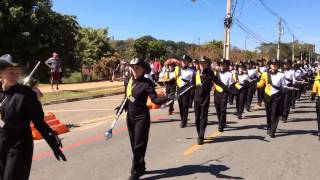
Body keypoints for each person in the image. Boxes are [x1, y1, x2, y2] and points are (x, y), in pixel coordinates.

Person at [0, 54, 66, 180]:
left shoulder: (27, 94)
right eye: (11, 72)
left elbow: (39, 123)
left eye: (17, 73)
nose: (15, 76)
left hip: (19, 146)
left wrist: (53, 143)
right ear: (1, 73)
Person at [115, 58, 172, 180]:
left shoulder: (147, 83)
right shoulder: (128, 81)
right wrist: (121, 107)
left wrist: (168, 97)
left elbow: (155, 100)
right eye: (133, 67)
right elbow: (127, 98)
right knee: (134, 144)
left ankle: (135, 172)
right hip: (130, 117)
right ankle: (141, 165)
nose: (134, 70)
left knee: (139, 145)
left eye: (137, 68)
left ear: (143, 70)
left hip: (142, 117)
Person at [194, 56, 232, 145]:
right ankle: (199, 133)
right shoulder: (196, 73)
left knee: (203, 117)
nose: (202, 65)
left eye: (203, 63)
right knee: (197, 119)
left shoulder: (210, 73)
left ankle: (201, 136)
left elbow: (219, 83)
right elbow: (191, 85)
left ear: (207, 64)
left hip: (205, 99)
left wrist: (231, 91)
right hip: (196, 99)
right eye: (200, 63)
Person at [256, 59, 287, 138]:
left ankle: (273, 131)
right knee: (269, 113)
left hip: (277, 96)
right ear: (270, 65)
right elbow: (261, 84)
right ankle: (269, 127)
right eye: (272, 64)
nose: (274, 65)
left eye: (275, 64)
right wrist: (252, 84)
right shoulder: (265, 74)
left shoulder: (281, 75)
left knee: (275, 113)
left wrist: (286, 89)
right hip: (267, 95)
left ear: (277, 66)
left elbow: (283, 86)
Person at [213, 58, 234, 132]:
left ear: (226, 65)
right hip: (216, 93)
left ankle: (221, 125)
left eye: (223, 64)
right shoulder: (216, 73)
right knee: (217, 109)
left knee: (222, 109)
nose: (221, 66)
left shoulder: (230, 74)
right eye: (220, 64)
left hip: (224, 93)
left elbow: (231, 85)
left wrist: (230, 92)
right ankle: (222, 121)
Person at [175, 55, 195, 128]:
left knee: (185, 106)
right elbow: (176, 80)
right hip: (179, 90)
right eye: (182, 61)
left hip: (187, 90)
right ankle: (182, 119)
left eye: (185, 61)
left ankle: (184, 121)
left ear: (187, 62)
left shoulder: (192, 71)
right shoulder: (177, 69)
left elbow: (193, 82)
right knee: (180, 106)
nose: (183, 62)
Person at [310, 75, 320, 141]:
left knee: (319, 116)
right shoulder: (317, 81)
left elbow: (314, 91)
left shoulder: (317, 81)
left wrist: (312, 98)